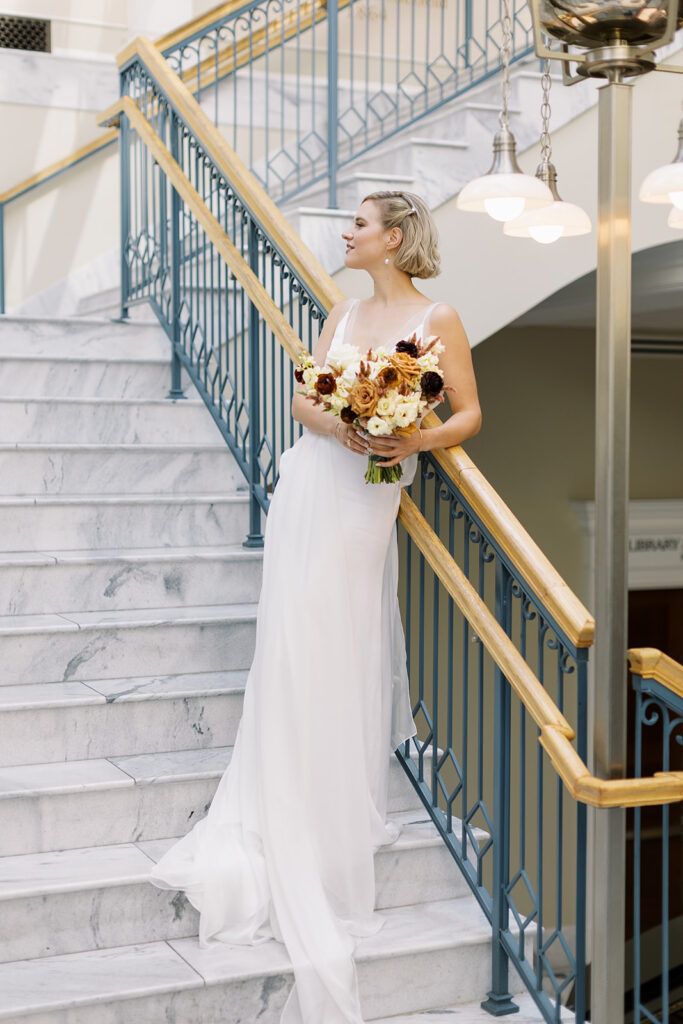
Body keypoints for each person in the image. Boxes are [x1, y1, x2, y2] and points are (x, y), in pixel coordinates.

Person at [148, 190, 482, 1024]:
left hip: (367, 502)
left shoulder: (438, 315)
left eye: (359, 226)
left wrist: (411, 437)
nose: (346, 234)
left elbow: (466, 412)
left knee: (340, 643)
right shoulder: (339, 311)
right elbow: (302, 401)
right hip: (310, 482)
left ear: (394, 238)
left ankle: (331, 807)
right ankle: (282, 789)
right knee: (291, 641)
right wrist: (337, 423)